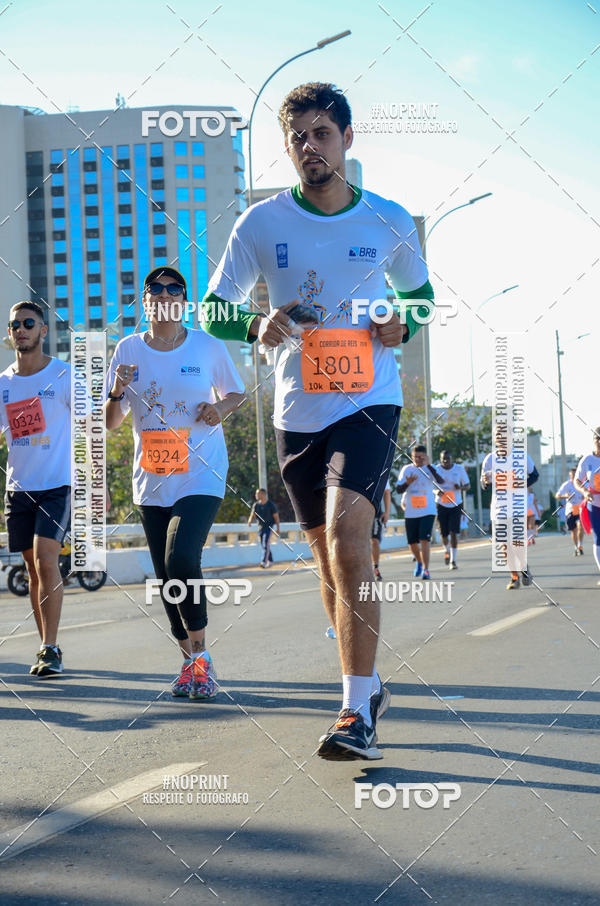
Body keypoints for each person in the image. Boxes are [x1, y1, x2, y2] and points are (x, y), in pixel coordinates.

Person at [200, 82, 434, 760]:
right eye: (299, 136)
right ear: (287, 147)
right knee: (328, 566)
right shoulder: (262, 224)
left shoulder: (387, 220)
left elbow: (422, 303)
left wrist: (401, 323)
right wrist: (256, 322)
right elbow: (213, 309)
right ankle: (369, 684)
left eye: (322, 133)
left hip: (370, 404)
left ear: (347, 140)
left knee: (347, 535)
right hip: (297, 413)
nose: (311, 146)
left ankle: (354, 712)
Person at [104, 268, 245, 699]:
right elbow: (110, 424)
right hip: (152, 477)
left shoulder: (207, 345)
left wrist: (219, 410)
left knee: (182, 557)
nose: (165, 295)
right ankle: (189, 660)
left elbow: (236, 393)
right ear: (144, 301)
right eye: (155, 289)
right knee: (167, 575)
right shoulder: (127, 349)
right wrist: (116, 390)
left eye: (174, 289)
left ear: (183, 300)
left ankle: (202, 658)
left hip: (201, 470)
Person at [0, 301, 71, 676]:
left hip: (57, 485)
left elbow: (91, 426)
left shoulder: (63, 375)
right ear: (9, 333)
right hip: (19, 489)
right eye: (15, 325)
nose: (21, 329)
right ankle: (46, 645)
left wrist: (97, 481)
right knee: (31, 568)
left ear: (44, 330)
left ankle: (50, 646)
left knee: (46, 560)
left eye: (29, 323)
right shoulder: (3, 383)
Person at [481, 440, 538, 590]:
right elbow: (484, 484)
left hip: (517, 507)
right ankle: (514, 577)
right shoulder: (490, 459)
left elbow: (535, 475)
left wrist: (521, 483)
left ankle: (524, 568)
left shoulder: (521, 456)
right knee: (504, 545)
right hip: (499, 508)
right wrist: (485, 482)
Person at [397, 446, 442, 580]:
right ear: (412, 456)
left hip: (428, 511)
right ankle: (419, 561)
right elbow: (398, 489)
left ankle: (426, 570)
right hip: (411, 512)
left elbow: (441, 481)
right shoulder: (407, 469)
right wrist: (407, 483)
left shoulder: (431, 468)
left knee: (424, 540)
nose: (418, 459)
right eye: (415, 457)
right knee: (412, 543)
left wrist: (429, 466)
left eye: (421, 457)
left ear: (425, 457)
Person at [434, 450, 470, 570]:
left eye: (448, 459)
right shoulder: (436, 469)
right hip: (441, 504)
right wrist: (436, 492)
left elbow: (467, 485)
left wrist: (460, 487)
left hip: (455, 504)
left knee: (454, 532)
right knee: (443, 533)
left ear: (452, 459)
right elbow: (431, 487)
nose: (445, 461)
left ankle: (453, 561)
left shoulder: (459, 469)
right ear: (440, 459)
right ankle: (447, 550)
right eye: (443, 459)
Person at [574, 427, 600, 583]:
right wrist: (584, 491)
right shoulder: (587, 460)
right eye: (598, 438)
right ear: (593, 440)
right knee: (598, 538)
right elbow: (577, 480)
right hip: (594, 503)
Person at [248, 488, 280, 568]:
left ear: (263, 494)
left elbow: (276, 517)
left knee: (265, 544)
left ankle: (263, 562)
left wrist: (278, 528)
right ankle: (271, 560)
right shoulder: (256, 505)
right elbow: (253, 514)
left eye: (257, 494)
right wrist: (250, 521)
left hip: (269, 527)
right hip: (260, 527)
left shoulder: (270, 505)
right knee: (264, 545)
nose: (256, 495)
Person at [556, 468, 584, 555]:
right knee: (573, 530)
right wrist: (565, 496)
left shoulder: (582, 484)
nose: (573, 476)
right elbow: (557, 495)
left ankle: (580, 545)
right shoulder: (567, 485)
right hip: (570, 510)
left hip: (580, 509)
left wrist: (585, 496)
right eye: (572, 475)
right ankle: (576, 547)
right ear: (570, 476)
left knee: (580, 526)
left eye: (575, 475)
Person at [371, 480, 391, 580]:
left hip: (375, 511)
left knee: (375, 541)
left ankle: (376, 568)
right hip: (357, 512)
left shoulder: (381, 469)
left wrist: (387, 512)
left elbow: (386, 492)